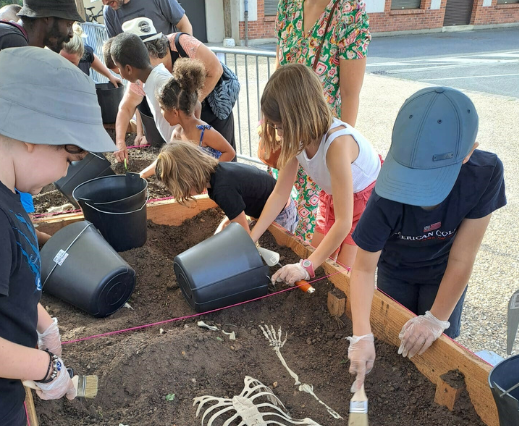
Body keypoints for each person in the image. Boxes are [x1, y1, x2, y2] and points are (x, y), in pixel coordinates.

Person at [0, 47, 117, 425]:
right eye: (68, 158)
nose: (61, 174)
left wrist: (41, 322)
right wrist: (44, 367)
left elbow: (1, 276)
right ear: (31, 134)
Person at [345, 87, 506, 393]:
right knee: (397, 343)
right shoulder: (386, 195)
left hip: (444, 271)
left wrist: (435, 319)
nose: (418, 195)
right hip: (396, 270)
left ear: (470, 152)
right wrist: (362, 334)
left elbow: (463, 257)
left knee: (436, 347)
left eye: (430, 181)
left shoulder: (485, 175)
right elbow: (364, 269)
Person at [249, 63, 380, 285]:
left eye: (280, 127)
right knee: (317, 252)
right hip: (333, 194)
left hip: (365, 201)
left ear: (298, 117)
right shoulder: (296, 137)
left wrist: (306, 266)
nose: (278, 134)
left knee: (340, 274)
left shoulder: (336, 145)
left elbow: (344, 222)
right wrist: (251, 239)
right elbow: (280, 194)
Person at [269, 0, 371, 244]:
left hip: (320, 135)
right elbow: (279, 67)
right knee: (290, 206)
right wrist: (272, 123)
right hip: (291, 128)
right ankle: (301, 259)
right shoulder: (288, 5)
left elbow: (350, 93)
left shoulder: (349, 9)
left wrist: (336, 151)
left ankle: (308, 264)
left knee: (323, 221)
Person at [136, 18, 239, 152]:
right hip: (189, 111)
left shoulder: (182, 43)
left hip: (214, 106)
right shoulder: (178, 133)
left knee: (220, 150)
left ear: (150, 53)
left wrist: (193, 102)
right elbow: (131, 101)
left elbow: (216, 70)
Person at [156, 142, 298, 236]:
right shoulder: (217, 174)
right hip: (264, 209)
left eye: (180, 189)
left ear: (187, 179)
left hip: (280, 214)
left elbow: (243, 232)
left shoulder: (222, 189)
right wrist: (221, 229)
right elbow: (235, 209)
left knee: (273, 250)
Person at [0, 0, 81, 94]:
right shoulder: (13, 42)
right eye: (69, 24)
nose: (71, 33)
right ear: (47, 18)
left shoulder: (8, 34)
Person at [110, 31, 178, 162]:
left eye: (119, 69)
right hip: (176, 148)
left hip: (185, 151)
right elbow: (126, 108)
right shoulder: (149, 79)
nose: (121, 75)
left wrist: (177, 145)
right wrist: (120, 142)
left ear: (129, 69)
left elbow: (190, 112)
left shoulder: (162, 84)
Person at [157, 58, 234, 162]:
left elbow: (230, 153)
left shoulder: (205, 132)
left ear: (175, 112)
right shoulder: (176, 134)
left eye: (162, 108)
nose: (161, 113)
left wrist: (209, 170)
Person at [102, 0, 192, 38]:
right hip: (138, 75)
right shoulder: (108, 11)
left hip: (169, 68)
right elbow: (114, 50)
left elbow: (184, 25)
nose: (105, 2)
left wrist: (185, 58)